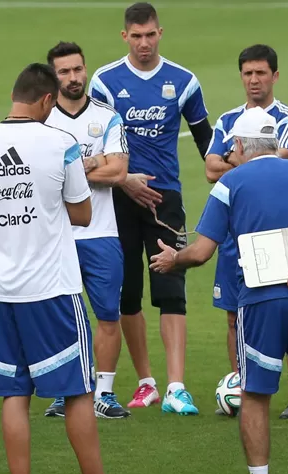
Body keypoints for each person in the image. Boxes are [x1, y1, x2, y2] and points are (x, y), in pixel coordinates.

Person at [0, 62, 155, 474]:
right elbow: (83, 213)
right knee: (76, 392)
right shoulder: (61, 143)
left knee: (13, 395)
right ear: (48, 100)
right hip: (51, 288)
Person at [150, 107, 288, 474]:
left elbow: (203, 250)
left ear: (240, 145)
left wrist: (175, 259)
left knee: (256, 395)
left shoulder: (231, 183)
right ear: (275, 143)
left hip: (260, 301)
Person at [90, 2, 213, 414]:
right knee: (127, 293)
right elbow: (92, 146)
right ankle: (147, 382)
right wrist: (125, 180)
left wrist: (228, 181)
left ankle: (177, 387)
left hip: (165, 200)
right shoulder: (105, 82)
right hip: (118, 200)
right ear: (125, 36)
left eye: (150, 35)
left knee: (171, 288)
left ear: (160, 33)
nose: (144, 43)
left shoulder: (183, 81)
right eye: (136, 36)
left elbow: (205, 145)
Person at [202, 44, 288, 418]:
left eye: (261, 73)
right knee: (232, 314)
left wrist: (233, 161)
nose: (254, 80)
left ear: (275, 76)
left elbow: (282, 163)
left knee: (287, 313)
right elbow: (210, 167)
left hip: (276, 235)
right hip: (234, 236)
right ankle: (239, 385)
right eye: (248, 73)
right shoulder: (227, 119)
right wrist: (240, 161)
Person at [44, 42, 131, 419]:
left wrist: (71, 168)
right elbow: (40, 177)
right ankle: (66, 392)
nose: (74, 77)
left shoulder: (107, 116)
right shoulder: (42, 121)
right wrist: (95, 160)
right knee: (61, 314)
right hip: (57, 235)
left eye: (78, 69)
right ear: (53, 76)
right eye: (64, 72)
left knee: (108, 315)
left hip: (101, 233)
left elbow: (119, 172)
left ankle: (104, 394)